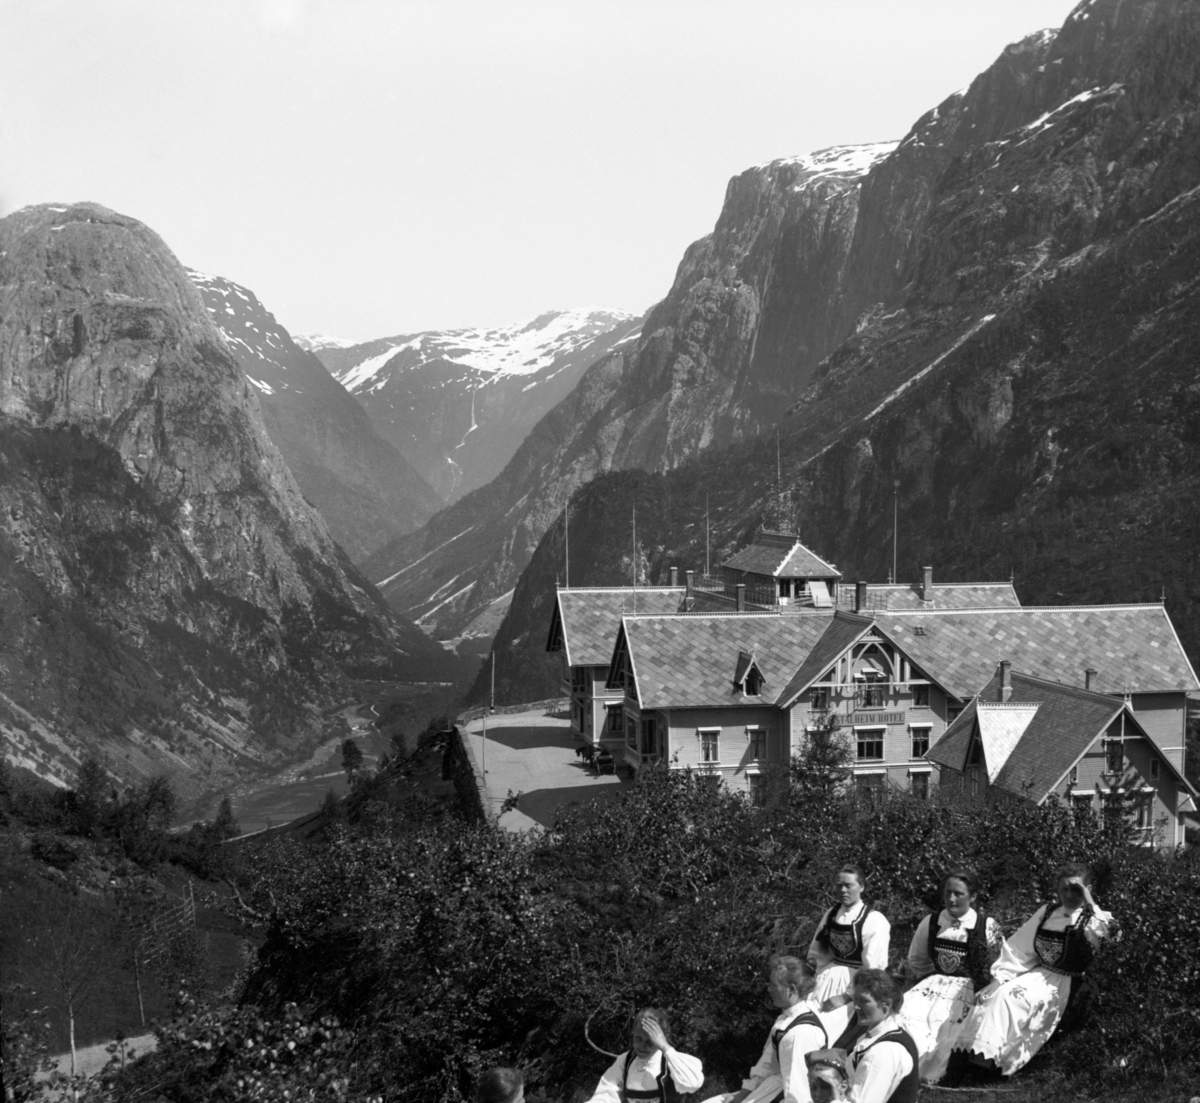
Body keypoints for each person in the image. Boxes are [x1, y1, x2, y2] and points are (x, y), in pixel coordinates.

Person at [949, 863, 1116, 1079]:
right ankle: (971, 1058)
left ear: (1087, 889)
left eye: (1075, 889)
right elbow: (1020, 947)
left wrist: (1090, 901)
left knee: (1014, 1001)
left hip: (1065, 984)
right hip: (1038, 974)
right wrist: (999, 979)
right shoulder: (1048, 912)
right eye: (1063, 888)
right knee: (994, 996)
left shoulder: (1091, 918)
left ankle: (992, 1064)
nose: (1068, 894)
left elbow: (1110, 934)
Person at [897, 869, 1003, 1084]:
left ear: (972, 897)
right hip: (933, 984)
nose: (951, 899)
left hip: (969, 989)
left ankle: (937, 1073)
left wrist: (993, 983)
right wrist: (929, 983)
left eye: (958, 894)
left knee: (948, 1028)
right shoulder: (931, 922)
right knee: (905, 1015)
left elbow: (1002, 964)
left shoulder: (987, 926)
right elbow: (917, 959)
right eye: (947, 893)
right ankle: (901, 1067)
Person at [701, 956, 850, 1103]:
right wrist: (739, 1098)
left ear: (791, 989)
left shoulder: (799, 1033)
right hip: (770, 1089)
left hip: (780, 1095)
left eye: (773, 985)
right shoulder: (786, 1020)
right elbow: (766, 1066)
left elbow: (798, 1092)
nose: (769, 989)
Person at [807, 865, 890, 1008]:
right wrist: (808, 979)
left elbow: (874, 968)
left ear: (861, 887)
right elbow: (817, 954)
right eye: (839, 886)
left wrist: (847, 996)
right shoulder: (831, 914)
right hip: (826, 979)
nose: (843, 890)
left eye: (848, 885)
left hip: (856, 985)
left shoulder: (874, 920)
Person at [585, 1007, 704, 1103]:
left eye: (650, 1042)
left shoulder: (672, 1062)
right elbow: (606, 1095)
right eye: (638, 1038)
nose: (642, 1046)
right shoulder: (625, 1061)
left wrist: (665, 1047)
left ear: (660, 1039)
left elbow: (692, 1083)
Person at [835, 970, 919, 1103]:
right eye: (855, 999)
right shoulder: (879, 1035)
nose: (856, 1007)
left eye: (864, 1001)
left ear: (886, 1005)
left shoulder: (884, 1051)